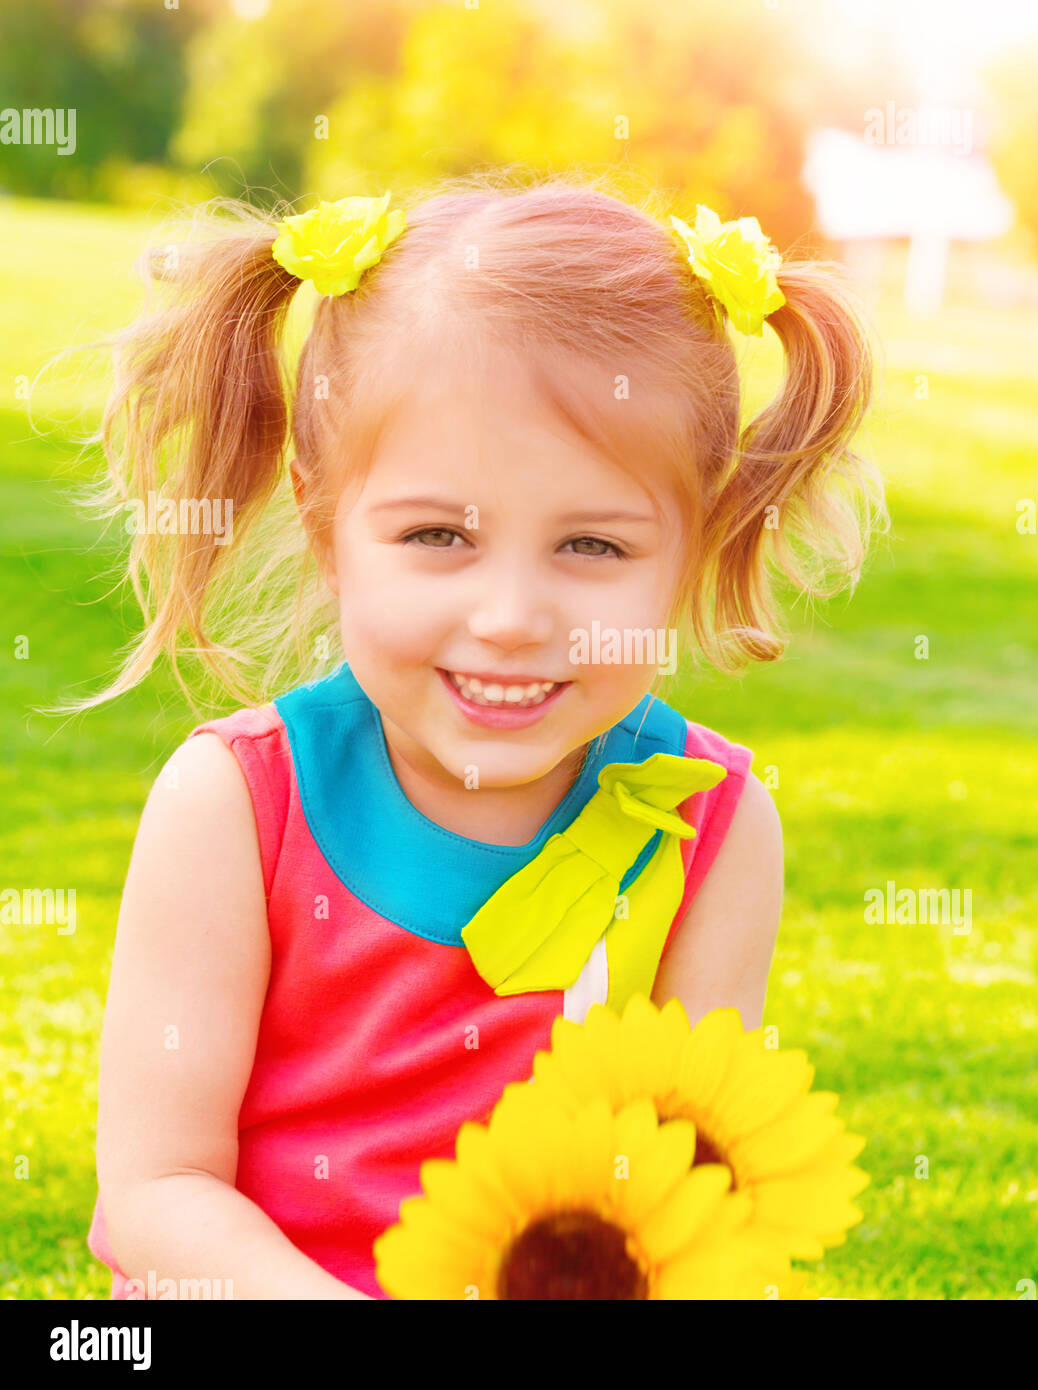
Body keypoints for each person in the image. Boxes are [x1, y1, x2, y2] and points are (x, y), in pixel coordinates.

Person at [78, 172, 883, 1299]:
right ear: (326, 529)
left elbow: (685, 1188)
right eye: (438, 534)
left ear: (697, 545)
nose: (511, 618)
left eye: (592, 547)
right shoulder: (234, 804)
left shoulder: (714, 826)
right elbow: (158, 1191)